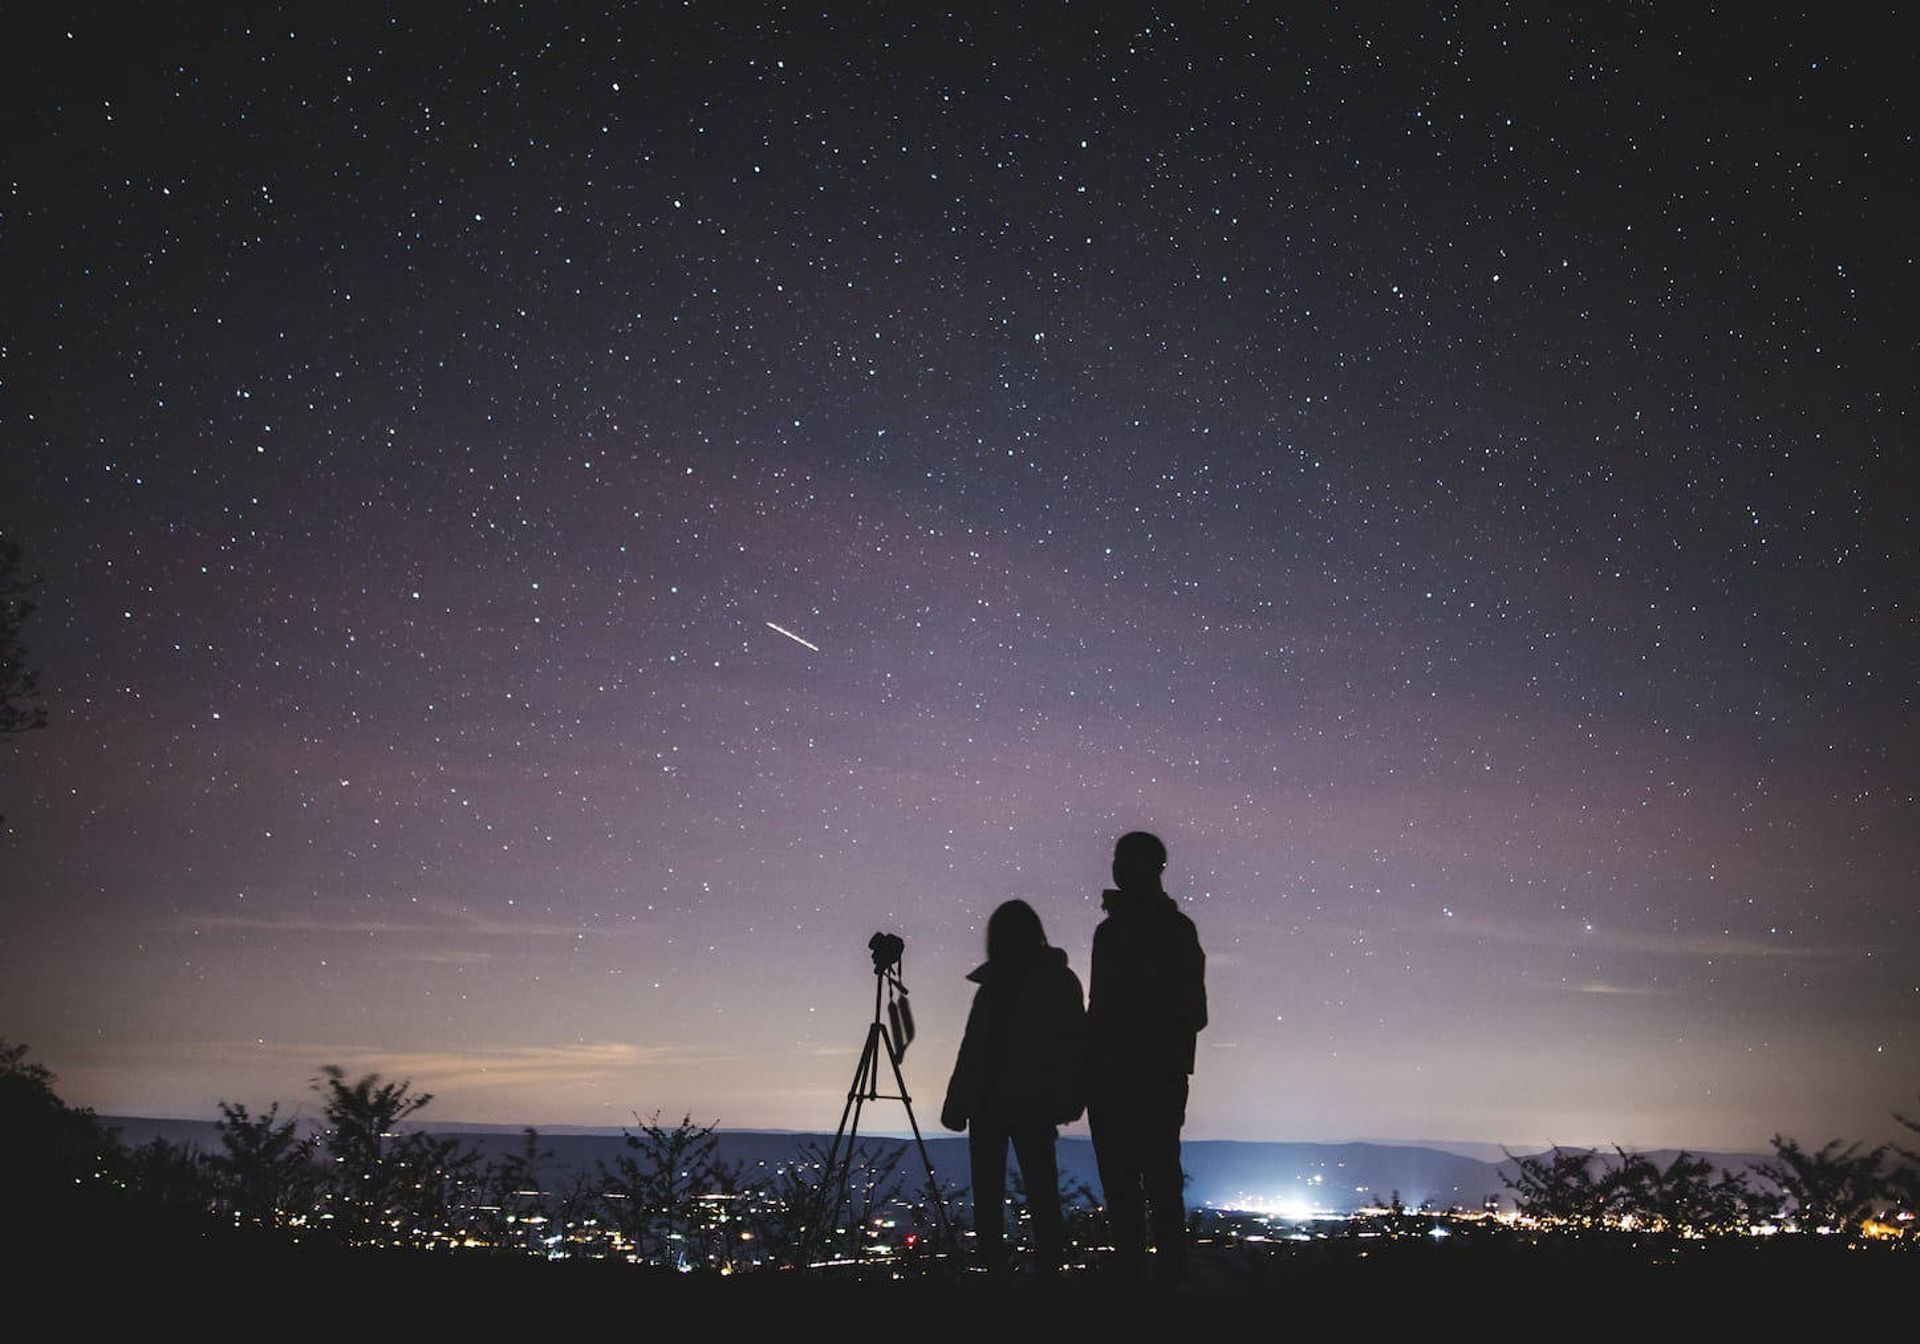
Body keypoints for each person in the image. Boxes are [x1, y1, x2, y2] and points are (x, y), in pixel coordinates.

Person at [1085, 830, 1206, 1285]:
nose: (1116, 867)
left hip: (1142, 1076)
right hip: (1139, 1075)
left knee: (1147, 1184)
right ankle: (1148, 1284)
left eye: (1123, 859)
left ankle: (1151, 1286)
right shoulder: (1121, 931)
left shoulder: (1164, 931)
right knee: (1144, 1184)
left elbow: (1191, 1010)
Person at [941, 899, 1085, 1273]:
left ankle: (1006, 1276)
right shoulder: (1052, 981)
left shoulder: (997, 986)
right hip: (1020, 1102)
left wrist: (957, 1103)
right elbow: (1072, 1044)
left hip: (1004, 1102)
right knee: (1036, 1192)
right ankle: (1041, 1275)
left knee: (1005, 1195)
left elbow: (972, 1050)